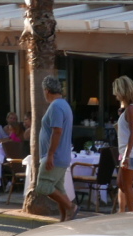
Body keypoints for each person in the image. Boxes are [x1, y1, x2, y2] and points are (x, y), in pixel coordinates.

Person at [35, 75, 77, 222]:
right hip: (61, 155)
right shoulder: (64, 105)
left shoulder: (55, 106)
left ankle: (70, 207)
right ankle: (64, 219)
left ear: (46, 90)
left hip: (55, 156)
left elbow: (57, 131)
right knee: (59, 189)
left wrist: (50, 154)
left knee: (43, 187)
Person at [112, 75, 133, 213]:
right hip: (131, 152)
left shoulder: (131, 109)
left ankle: (131, 213)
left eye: (116, 91)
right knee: (121, 183)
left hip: (131, 153)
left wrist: (126, 156)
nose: (115, 95)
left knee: (126, 184)